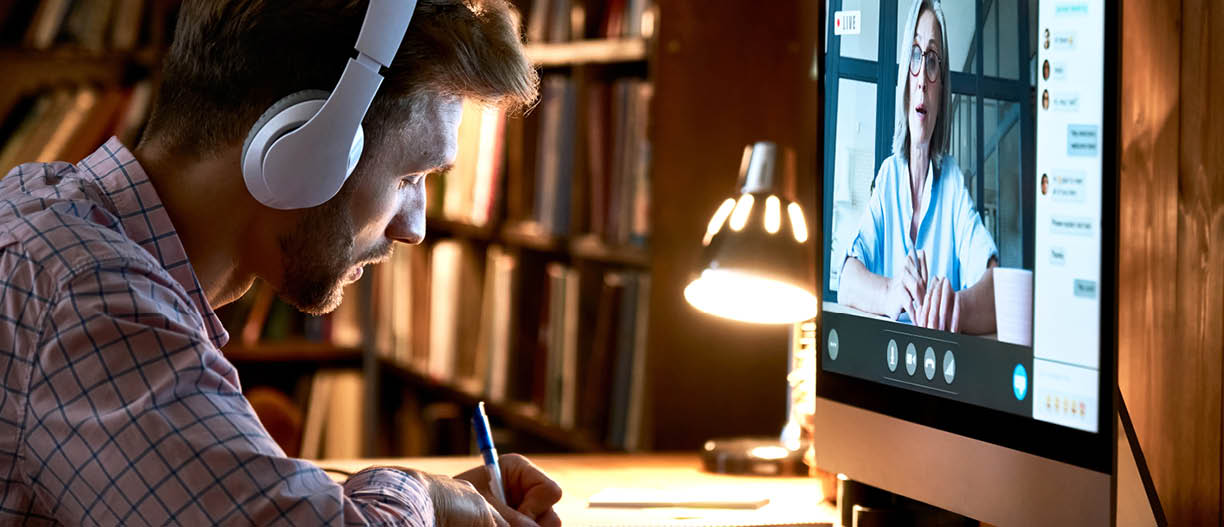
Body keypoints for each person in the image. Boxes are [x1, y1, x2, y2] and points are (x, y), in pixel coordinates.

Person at [0, 1, 561, 525]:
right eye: (410, 177)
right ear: (301, 150)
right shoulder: (88, 296)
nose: (412, 229)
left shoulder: (50, 221)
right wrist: (424, 496)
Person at [838, 0, 999, 335]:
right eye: (914, 55)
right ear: (904, 82)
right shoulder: (887, 177)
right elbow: (848, 280)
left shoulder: (952, 182)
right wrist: (889, 292)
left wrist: (953, 307)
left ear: (941, 89)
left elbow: (996, 289)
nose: (923, 79)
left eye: (932, 61)